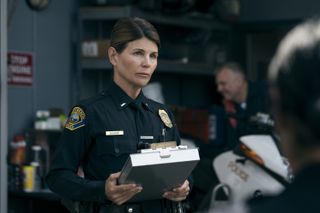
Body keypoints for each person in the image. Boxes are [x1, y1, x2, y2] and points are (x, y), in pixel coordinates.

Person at [46, 17, 189, 213]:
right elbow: (57, 177)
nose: (147, 63)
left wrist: (183, 187)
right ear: (114, 56)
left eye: (153, 56)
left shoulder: (162, 115)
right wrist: (101, 190)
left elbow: (181, 167)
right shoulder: (89, 112)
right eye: (138, 53)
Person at [202, 17, 320, 213]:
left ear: (281, 117)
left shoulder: (263, 96)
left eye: (223, 83)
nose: (219, 89)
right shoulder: (222, 110)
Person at [214, 62, 271, 149]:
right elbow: (229, 146)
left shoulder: (266, 95)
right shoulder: (228, 107)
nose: (219, 89)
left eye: (223, 84)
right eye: (218, 84)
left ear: (239, 81)